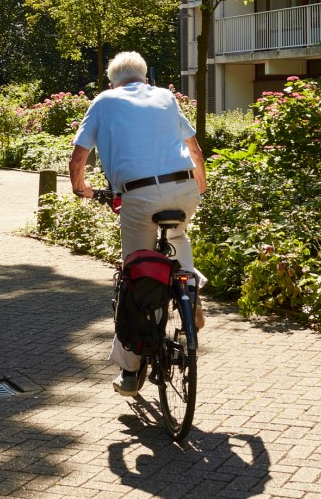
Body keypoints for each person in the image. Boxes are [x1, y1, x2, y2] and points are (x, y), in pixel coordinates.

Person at [68, 51, 207, 396]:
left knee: (138, 274)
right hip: (183, 186)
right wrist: (200, 187)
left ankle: (130, 372)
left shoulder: (104, 100)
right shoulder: (165, 96)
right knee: (177, 234)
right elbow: (194, 148)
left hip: (139, 195)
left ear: (112, 82)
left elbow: (79, 155)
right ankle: (190, 292)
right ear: (146, 78)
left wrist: (80, 189)